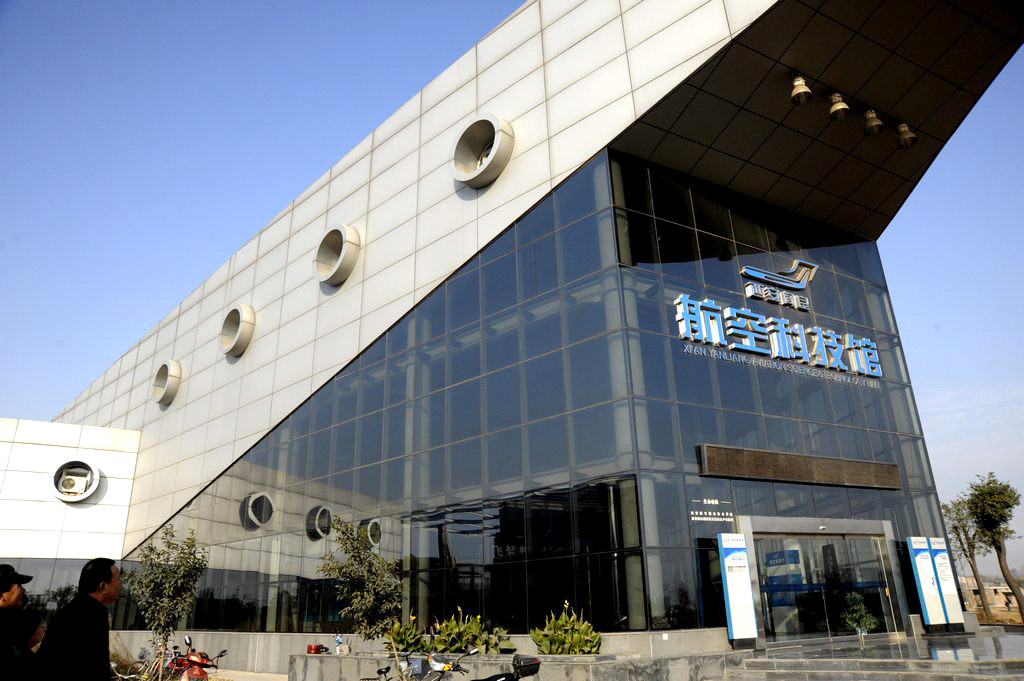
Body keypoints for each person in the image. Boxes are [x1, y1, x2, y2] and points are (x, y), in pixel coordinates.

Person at [37, 558, 121, 681]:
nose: (120, 584)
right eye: (118, 579)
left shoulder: (73, 610)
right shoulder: (91, 615)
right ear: (103, 587)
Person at [0, 608, 45, 676]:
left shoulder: (16, 649)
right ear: (31, 629)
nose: (44, 629)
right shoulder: (26, 657)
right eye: (42, 626)